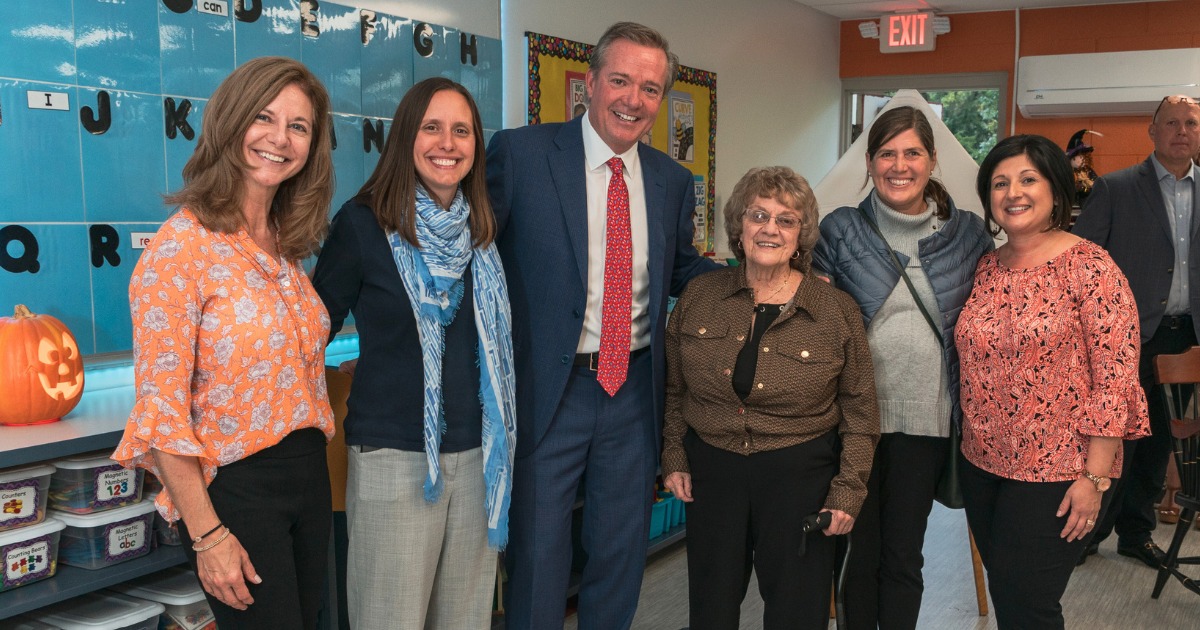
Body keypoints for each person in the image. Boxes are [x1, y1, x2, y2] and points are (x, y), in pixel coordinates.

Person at [485, 21, 718, 629]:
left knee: (620, 554)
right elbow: (474, 252)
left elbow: (683, 271)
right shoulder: (523, 155)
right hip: (548, 392)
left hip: (634, 392)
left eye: (649, 88)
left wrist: (771, 278)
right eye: (620, 80)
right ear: (589, 83)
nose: (632, 100)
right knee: (538, 554)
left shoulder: (671, 181)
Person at [112, 57, 335, 629]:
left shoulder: (285, 243)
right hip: (239, 492)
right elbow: (160, 415)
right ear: (231, 122)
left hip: (309, 478)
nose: (280, 139)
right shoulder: (180, 250)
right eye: (263, 117)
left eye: (299, 126)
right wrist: (208, 536)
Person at [310, 77, 515, 630]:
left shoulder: (484, 234)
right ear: (406, 136)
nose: (447, 143)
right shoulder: (362, 223)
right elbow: (309, 334)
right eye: (432, 128)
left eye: (461, 131)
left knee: (465, 621)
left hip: (478, 458)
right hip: (395, 459)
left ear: (476, 146)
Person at [662, 166, 879, 630]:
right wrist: (675, 453)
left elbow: (861, 412)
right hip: (714, 473)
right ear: (739, 226)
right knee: (710, 607)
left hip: (799, 476)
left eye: (786, 220)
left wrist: (848, 491)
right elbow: (674, 389)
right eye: (759, 215)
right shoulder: (699, 296)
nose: (770, 229)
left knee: (797, 611)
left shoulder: (835, 312)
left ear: (802, 235)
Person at [957, 134, 1149, 629]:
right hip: (982, 465)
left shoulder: (1092, 267)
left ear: (1056, 189)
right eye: (999, 183)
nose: (1012, 193)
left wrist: (1094, 478)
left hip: (1058, 471)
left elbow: (1116, 380)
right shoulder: (986, 267)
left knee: (1030, 604)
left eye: (1027, 179)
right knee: (1009, 595)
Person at [811, 105, 993, 630]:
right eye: (887, 153)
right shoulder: (840, 230)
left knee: (902, 556)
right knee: (857, 554)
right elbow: (817, 326)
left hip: (926, 425)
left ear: (932, 160)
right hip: (852, 424)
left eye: (912, 152)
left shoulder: (968, 236)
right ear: (868, 163)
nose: (899, 164)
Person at [1073, 95, 1200, 567]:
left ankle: (1136, 533)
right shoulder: (1116, 188)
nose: (1181, 131)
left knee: (1161, 440)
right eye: (1171, 122)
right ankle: (1090, 532)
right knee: (1115, 438)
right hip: (1126, 338)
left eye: (1190, 123)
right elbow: (1082, 262)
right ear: (1153, 131)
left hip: (1186, 339)